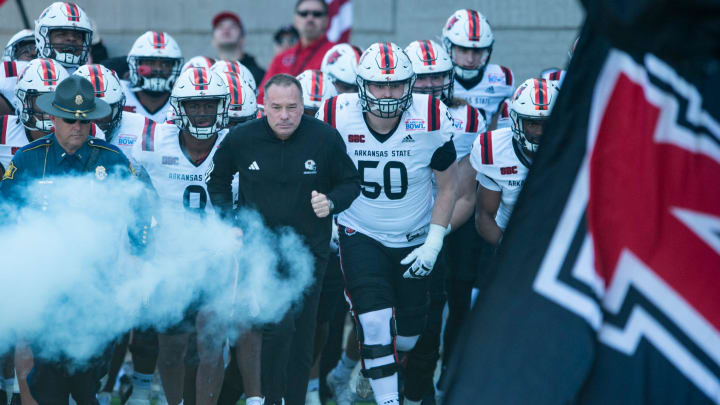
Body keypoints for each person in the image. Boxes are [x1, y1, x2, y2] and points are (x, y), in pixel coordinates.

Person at [316, 42, 457, 405]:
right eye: (379, 84)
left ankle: (374, 370)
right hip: (361, 232)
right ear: (362, 85)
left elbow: (448, 186)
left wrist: (434, 241)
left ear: (411, 85)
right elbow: (318, 171)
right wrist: (330, 216)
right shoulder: (335, 112)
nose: (388, 93)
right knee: (375, 323)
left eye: (396, 85)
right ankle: (386, 396)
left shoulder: (431, 115)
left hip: (414, 236)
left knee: (408, 336)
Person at [207, 73, 360, 405]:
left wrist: (332, 202)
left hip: (309, 252)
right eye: (276, 108)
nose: (285, 115)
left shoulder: (325, 138)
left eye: (292, 107)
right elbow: (217, 181)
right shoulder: (241, 137)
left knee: (301, 335)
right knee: (273, 327)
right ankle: (262, 398)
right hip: (257, 252)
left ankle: (290, 399)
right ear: (264, 107)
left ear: (303, 106)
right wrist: (228, 221)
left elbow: (351, 183)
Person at [0, 75, 145, 405]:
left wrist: (137, 257)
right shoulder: (28, 159)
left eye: (85, 120)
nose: (77, 128)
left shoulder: (112, 159)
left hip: (98, 289)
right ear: (52, 118)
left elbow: (140, 211)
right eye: (69, 120)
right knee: (46, 380)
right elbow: (5, 215)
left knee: (85, 382)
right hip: (44, 287)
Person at [131, 66, 233, 405]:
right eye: (194, 105)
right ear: (179, 107)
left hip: (217, 257)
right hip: (169, 256)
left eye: (209, 105)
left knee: (211, 341)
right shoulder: (151, 141)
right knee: (172, 348)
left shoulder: (236, 143)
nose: (202, 113)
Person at [403, 38, 487, 405]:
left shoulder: (468, 116)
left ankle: (427, 388)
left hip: (447, 222)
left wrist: (433, 236)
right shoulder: (383, 113)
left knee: (444, 304)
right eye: (423, 78)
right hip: (394, 223)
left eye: (439, 77)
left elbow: (465, 192)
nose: (433, 85)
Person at [467, 77, 559, 295]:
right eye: (532, 123)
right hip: (508, 238)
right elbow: (484, 216)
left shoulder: (572, 148)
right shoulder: (494, 150)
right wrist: (512, 248)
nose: (539, 132)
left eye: (546, 123)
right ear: (516, 121)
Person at [442, 9, 514, 130]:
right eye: (463, 50)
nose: (470, 59)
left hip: (486, 147)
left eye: (477, 51)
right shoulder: (435, 79)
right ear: (448, 47)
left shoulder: (503, 78)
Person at [257, 0, 336, 104]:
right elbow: (262, 97)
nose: (310, 18)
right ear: (295, 19)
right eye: (304, 14)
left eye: (317, 14)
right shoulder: (281, 57)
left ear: (326, 20)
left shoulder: (336, 54)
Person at [124, 31, 184, 122]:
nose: (158, 69)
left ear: (174, 67)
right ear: (135, 64)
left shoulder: (183, 101)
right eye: (150, 63)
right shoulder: (120, 93)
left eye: (165, 64)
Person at [211, 11, 266, 86]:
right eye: (220, 27)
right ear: (213, 40)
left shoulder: (261, 76)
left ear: (243, 39)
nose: (226, 30)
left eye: (232, 27)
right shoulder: (208, 75)